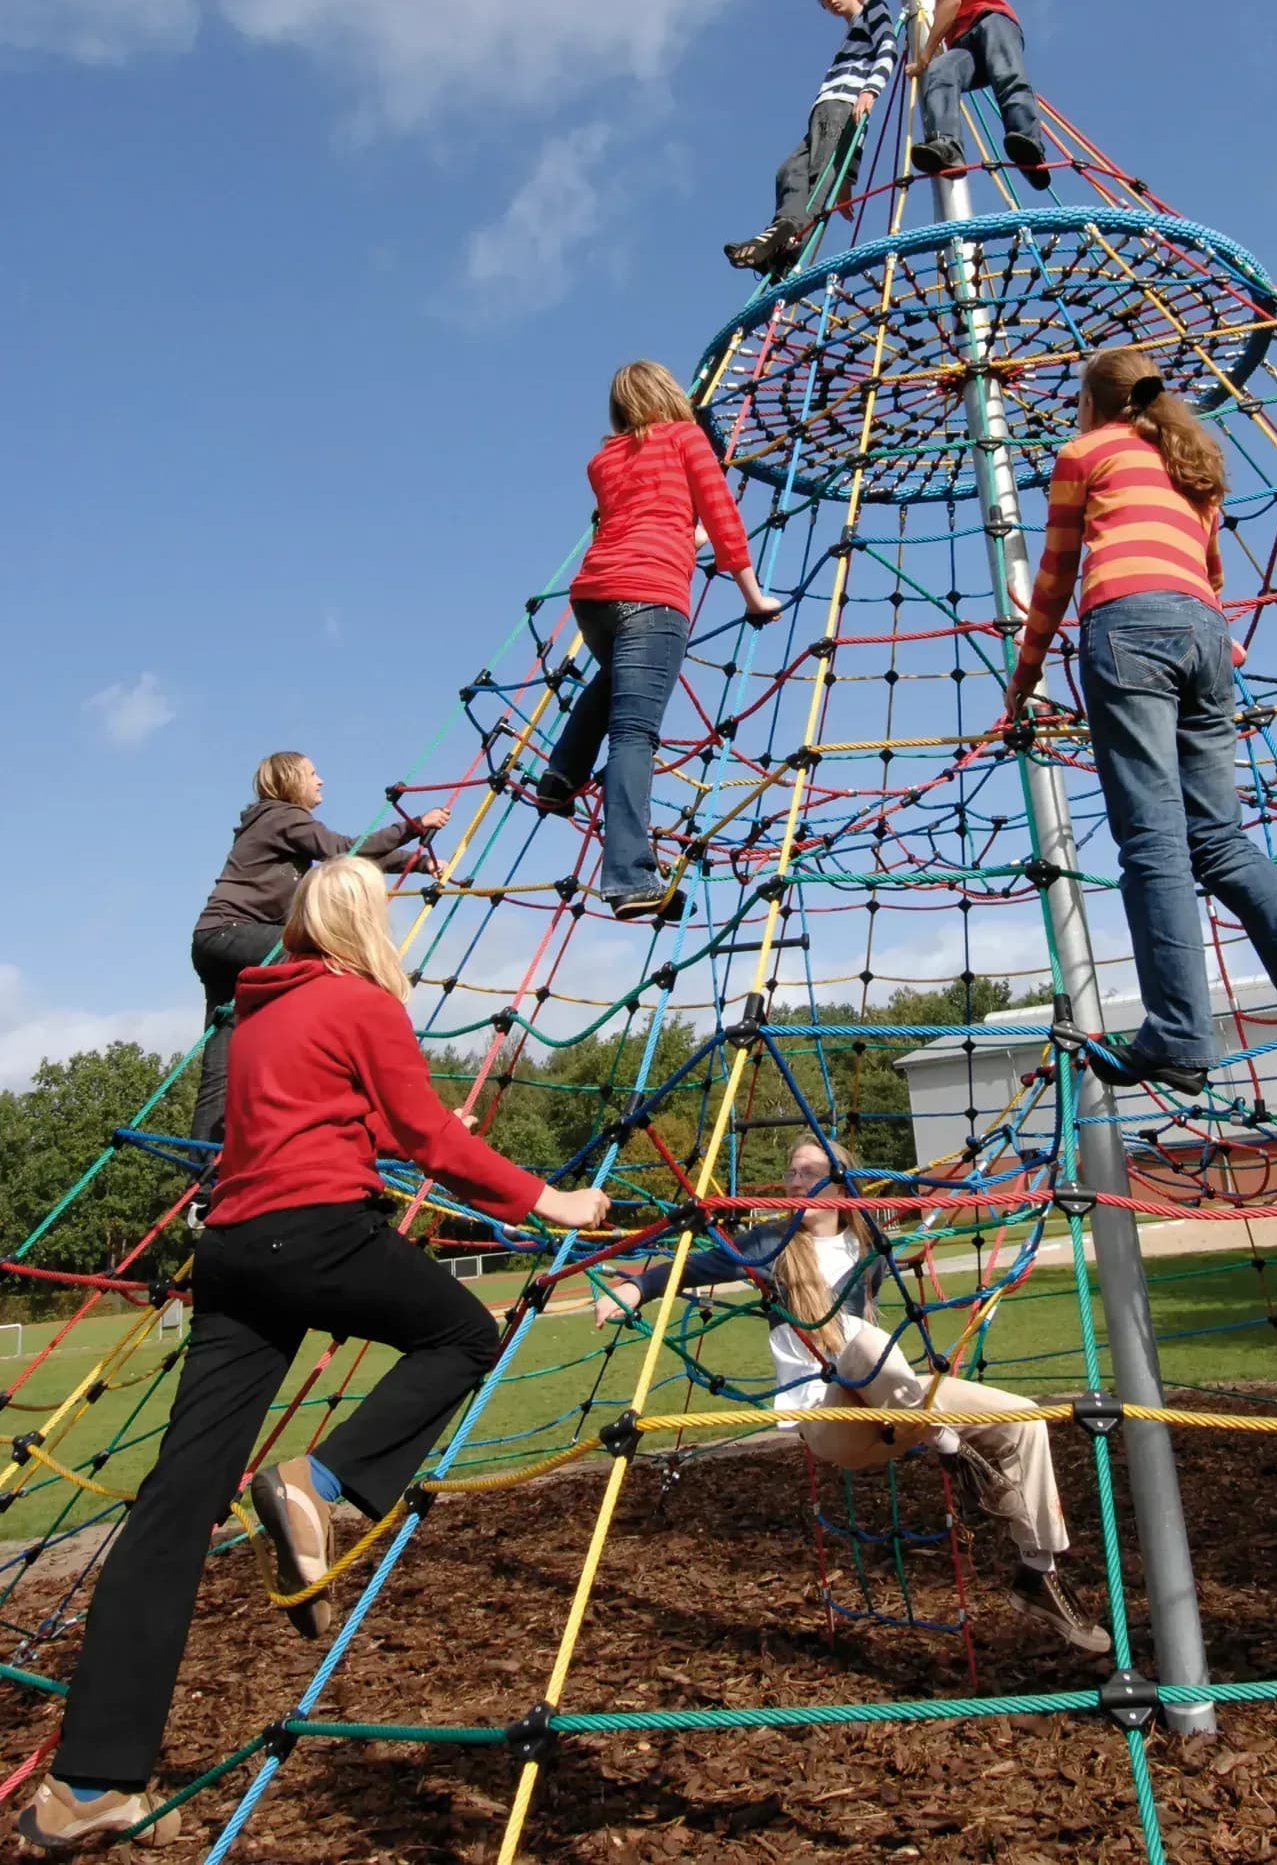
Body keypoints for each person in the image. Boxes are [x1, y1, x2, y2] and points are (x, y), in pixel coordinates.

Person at [18, 857, 610, 1854]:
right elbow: (423, 1135)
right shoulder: (363, 1001)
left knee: (172, 1505)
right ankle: (317, 1480)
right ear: (366, 923)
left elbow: (324, 1118)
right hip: (318, 1233)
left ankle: (89, 1781)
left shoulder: (259, 1015)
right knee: (465, 1333)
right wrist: (548, 1199)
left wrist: (400, 1128)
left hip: (232, 1251)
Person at [1004, 348, 1277, 1095]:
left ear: (1092, 403)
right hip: (1205, 638)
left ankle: (1178, 1036)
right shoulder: (1191, 463)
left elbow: (1056, 574)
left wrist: (1025, 675)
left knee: (1152, 841)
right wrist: (1217, 642)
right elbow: (1207, 576)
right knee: (1218, 836)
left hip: (1126, 630)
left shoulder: (1083, 452)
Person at [595, 1132, 1108, 1653]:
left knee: (1025, 1417)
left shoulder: (868, 1246)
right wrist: (639, 1286)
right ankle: (951, 1446)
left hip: (889, 1407)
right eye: (792, 1171)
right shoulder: (770, 1244)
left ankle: (1038, 1571)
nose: (796, 1181)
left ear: (841, 1186)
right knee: (865, 1344)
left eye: (810, 1173)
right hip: (829, 1419)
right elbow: (691, 1267)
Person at [535, 362, 781, 921]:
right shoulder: (686, 438)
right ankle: (630, 878)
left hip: (593, 596)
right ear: (669, 395)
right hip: (651, 598)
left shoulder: (604, 460)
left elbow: (640, 522)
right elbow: (723, 517)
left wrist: (689, 535)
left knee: (616, 680)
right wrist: (753, 597)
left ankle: (560, 776)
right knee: (634, 732)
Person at [189, 752, 451, 1147]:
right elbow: (342, 850)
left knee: (221, 1061)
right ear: (292, 780)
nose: (321, 780)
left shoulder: (273, 823)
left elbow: (344, 855)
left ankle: (203, 1170)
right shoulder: (283, 816)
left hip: (215, 941)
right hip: (236, 934)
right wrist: (413, 827)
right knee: (328, 966)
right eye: (313, 773)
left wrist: (415, 864)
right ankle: (329, 1075)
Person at [724, 0, 898, 276]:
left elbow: (888, 45)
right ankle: (781, 232)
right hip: (823, 112)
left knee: (820, 179)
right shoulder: (850, 34)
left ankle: (794, 251)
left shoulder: (872, 6)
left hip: (842, 104)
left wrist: (870, 90)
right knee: (789, 170)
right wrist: (845, 180)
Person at [881, 0, 1052, 188]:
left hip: (988, 20)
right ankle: (947, 146)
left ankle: (1027, 144)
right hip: (964, 44)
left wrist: (924, 56)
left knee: (1008, 76)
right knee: (941, 71)